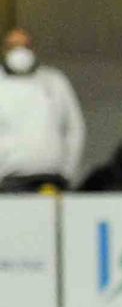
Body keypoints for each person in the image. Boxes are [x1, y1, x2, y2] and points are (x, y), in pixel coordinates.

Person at [0, 29, 83, 192]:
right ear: (4, 49)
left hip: (52, 177)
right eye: (13, 46)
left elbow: (75, 128)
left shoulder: (54, 80)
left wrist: (67, 171)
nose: (20, 52)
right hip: (9, 179)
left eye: (25, 46)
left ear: (33, 49)